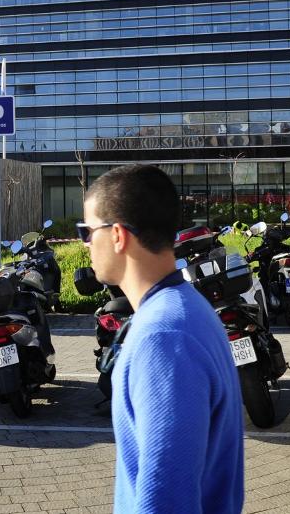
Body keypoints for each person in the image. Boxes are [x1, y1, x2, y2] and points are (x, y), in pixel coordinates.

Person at [80, 164, 244, 513]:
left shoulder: (164, 337)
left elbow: (165, 500)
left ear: (118, 236)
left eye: (87, 231)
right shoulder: (185, 308)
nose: (86, 244)